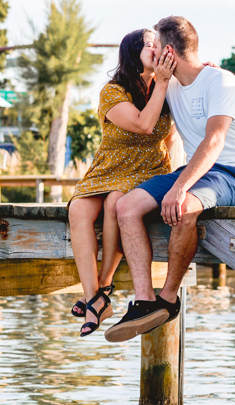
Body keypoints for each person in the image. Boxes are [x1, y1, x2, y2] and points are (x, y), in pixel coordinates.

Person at [104, 15, 235, 342]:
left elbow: (213, 141)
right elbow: (141, 111)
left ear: (169, 51)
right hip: (196, 173)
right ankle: (145, 300)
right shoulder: (170, 86)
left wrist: (179, 188)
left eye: (156, 48)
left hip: (234, 175)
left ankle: (168, 298)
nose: (153, 55)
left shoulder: (221, 81)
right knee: (127, 207)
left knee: (184, 207)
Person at [67, 28, 177, 337]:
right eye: (149, 45)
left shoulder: (169, 87)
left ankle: (101, 291)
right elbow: (143, 124)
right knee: (78, 210)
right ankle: (95, 297)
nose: (157, 50)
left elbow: (170, 137)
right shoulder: (112, 92)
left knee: (117, 200)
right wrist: (164, 83)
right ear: (132, 53)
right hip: (109, 166)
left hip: (148, 168)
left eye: (159, 45)